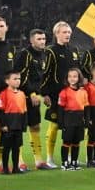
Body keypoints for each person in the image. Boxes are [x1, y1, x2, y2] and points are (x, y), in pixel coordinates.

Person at [46, 21, 90, 160]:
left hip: (73, 95)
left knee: (72, 126)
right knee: (54, 126)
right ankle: (49, 158)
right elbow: (45, 73)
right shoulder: (50, 51)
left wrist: (83, 80)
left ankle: (71, 157)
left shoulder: (74, 50)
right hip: (56, 94)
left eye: (69, 32)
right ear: (56, 34)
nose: (68, 34)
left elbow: (79, 70)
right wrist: (45, 93)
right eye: (64, 32)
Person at [18, 27, 58, 170]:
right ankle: (19, 161)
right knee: (18, 128)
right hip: (21, 96)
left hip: (35, 96)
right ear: (31, 40)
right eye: (39, 39)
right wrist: (31, 93)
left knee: (35, 126)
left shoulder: (44, 55)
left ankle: (39, 161)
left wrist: (44, 93)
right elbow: (20, 77)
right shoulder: (25, 54)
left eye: (44, 39)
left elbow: (41, 78)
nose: (42, 41)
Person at [0, 71, 30, 174]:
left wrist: (24, 125)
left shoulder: (22, 94)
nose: (18, 81)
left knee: (17, 147)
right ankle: (5, 168)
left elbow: (24, 110)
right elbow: (1, 111)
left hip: (18, 123)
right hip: (8, 123)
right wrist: (3, 125)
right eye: (15, 79)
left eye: (19, 79)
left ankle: (16, 168)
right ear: (7, 81)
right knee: (6, 148)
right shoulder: (4, 94)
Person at [55, 68, 88, 169]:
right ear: (67, 78)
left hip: (79, 118)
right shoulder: (64, 92)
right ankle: (64, 163)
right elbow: (60, 109)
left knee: (76, 142)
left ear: (79, 78)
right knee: (67, 141)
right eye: (70, 76)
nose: (72, 78)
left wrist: (87, 120)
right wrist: (60, 123)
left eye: (75, 76)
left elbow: (86, 107)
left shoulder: (83, 92)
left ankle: (74, 162)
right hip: (68, 118)